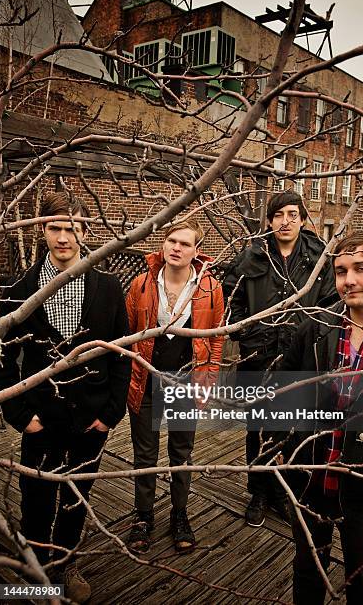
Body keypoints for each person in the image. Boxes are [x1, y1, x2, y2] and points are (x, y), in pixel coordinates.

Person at [0, 194, 130, 603]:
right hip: (42, 415)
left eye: (72, 227)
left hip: (91, 417)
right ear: (42, 230)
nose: (63, 236)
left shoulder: (107, 288)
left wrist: (111, 412)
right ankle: (38, 567)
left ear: (85, 233)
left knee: (76, 495)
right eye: (55, 226)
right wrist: (21, 414)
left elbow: (121, 351)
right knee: (36, 496)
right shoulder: (20, 289)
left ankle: (67, 562)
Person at [279, 231, 363, 604]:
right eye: (340, 270)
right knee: (307, 572)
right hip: (311, 478)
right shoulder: (317, 328)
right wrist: (287, 450)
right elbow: (283, 390)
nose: (348, 280)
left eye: (360, 268)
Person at [223, 189, 335, 527]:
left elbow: (330, 306)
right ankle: (259, 491)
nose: (285, 222)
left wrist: (311, 342)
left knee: (293, 428)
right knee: (258, 428)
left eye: (292, 214)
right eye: (278, 215)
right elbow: (231, 303)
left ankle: (285, 491)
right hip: (258, 359)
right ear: (269, 221)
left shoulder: (318, 258)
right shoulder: (251, 257)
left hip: (301, 361)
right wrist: (247, 335)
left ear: (302, 218)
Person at [126, 220, 224, 553]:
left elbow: (217, 338)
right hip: (146, 380)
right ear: (163, 244)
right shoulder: (141, 284)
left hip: (186, 382)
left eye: (184, 243)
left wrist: (207, 381)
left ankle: (179, 515)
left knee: (181, 454)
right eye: (171, 240)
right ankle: (143, 517)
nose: (176, 248)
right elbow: (125, 337)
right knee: (145, 455)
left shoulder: (210, 289)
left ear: (197, 250)